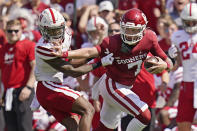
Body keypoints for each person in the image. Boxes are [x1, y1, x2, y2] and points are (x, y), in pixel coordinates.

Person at [52, 8, 173, 131]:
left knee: (106, 128)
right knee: (145, 115)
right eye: (127, 29)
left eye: (134, 30)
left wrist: (165, 65)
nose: (130, 34)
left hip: (123, 87)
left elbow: (165, 59)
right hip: (113, 86)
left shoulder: (150, 37)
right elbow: (89, 52)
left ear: (143, 29)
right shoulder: (113, 42)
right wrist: (66, 53)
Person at [34, 8, 114, 131]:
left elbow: (72, 62)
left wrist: (93, 56)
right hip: (47, 87)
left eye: (57, 30)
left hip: (52, 86)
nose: (56, 34)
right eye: (52, 31)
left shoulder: (66, 33)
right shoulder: (44, 47)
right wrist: (99, 62)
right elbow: (71, 71)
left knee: (74, 126)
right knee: (88, 109)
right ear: (43, 30)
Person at [0, 19, 36, 131]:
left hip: (23, 90)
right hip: (8, 92)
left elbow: (35, 66)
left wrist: (28, 87)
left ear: (21, 30)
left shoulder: (29, 45)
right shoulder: (3, 48)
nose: (13, 33)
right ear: (5, 32)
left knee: (25, 127)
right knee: (10, 127)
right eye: (10, 31)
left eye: (16, 30)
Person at [168, 3, 197, 131]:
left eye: (194, 22)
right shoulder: (177, 36)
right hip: (187, 84)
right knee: (183, 125)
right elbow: (174, 67)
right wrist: (173, 56)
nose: (190, 25)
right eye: (188, 22)